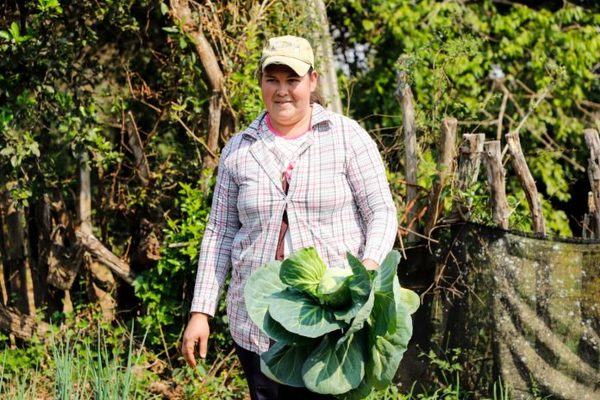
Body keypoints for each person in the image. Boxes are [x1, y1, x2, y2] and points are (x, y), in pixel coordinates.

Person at [181, 35, 398, 400]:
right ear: (261, 82)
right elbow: (219, 232)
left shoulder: (346, 137)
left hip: (333, 319)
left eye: (292, 80)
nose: (283, 91)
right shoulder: (240, 149)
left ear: (312, 81)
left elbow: (381, 210)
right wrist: (201, 311)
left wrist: (367, 268)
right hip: (258, 322)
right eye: (273, 80)